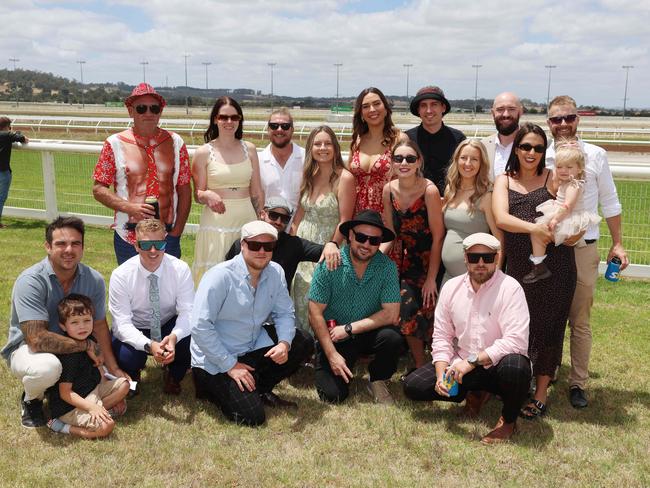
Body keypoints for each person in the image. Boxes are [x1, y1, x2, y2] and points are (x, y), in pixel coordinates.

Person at [403, 233, 531, 445]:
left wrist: (471, 361)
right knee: (413, 386)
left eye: (487, 258)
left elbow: (516, 341)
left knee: (517, 368)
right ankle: (474, 393)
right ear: (465, 258)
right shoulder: (451, 288)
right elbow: (442, 337)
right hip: (462, 366)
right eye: (474, 257)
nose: (480, 263)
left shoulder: (511, 288)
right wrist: (440, 376)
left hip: (497, 366)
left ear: (497, 258)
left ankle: (508, 421)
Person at [1, 216, 127, 428]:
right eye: (61, 243)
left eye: (75, 243)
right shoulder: (31, 281)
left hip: (73, 350)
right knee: (48, 367)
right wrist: (87, 345)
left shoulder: (93, 279)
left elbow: (98, 325)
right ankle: (32, 400)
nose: (69, 249)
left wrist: (113, 368)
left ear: (83, 247)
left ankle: (89, 408)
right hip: (29, 350)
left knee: (112, 380)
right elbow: (36, 339)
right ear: (48, 247)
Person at [545, 95, 629, 408]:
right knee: (548, 314)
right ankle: (546, 370)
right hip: (551, 247)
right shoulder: (540, 153)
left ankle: (578, 382)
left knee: (579, 320)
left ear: (578, 119)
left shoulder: (596, 155)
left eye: (569, 118)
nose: (563, 124)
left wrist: (617, 242)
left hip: (584, 247)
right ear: (548, 123)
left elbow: (610, 201)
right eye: (557, 119)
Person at [191, 220, 313, 426]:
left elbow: (284, 313)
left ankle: (259, 387)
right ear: (243, 245)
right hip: (216, 358)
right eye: (255, 245)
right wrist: (230, 365)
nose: (262, 251)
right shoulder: (219, 276)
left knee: (302, 341)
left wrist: (284, 343)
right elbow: (200, 327)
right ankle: (211, 388)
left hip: (251, 346)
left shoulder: (276, 272)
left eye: (269, 246)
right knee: (252, 417)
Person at [492, 123, 577, 419]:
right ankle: (519, 378)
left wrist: (558, 230)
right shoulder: (503, 180)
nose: (531, 153)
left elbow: (571, 209)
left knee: (550, 326)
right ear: (516, 148)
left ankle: (541, 393)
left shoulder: (554, 178)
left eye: (539, 148)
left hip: (557, 265)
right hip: (519, 266)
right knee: (519, 324)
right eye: (526, 146)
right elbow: (502, 218)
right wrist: (535, 228)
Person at [308, 210, 403, 405]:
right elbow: (314, 312)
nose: (367, 245)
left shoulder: (387, 267)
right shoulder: (329, 264)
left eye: (374, 241)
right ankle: (329, 359)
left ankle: (377, 379)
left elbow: (392, 314)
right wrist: (332, 354)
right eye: (361, 237)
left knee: (392, 338)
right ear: (350, 236)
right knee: (332, 396)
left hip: (365, 332)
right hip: (335, 336)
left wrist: (350, 328)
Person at [92, 83, 192, 264]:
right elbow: (98, 189)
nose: (148, 113)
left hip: (167, 236)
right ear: (131, 111)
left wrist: (177, 231)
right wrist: (129, 207)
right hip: (128, 238)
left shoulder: (176, 142)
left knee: (169, 290)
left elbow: (184, 189)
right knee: (131, 290)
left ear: (160, 112)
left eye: (154, 108)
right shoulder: (114, 143)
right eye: (141, 108)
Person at [109, 219, 194, 395]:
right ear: (136, 245)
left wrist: (174, 337)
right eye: (146, 245)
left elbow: (188, 312)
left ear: (165, 241)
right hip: (136, 325)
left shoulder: (180, 269)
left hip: (167, 323)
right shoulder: (121, 275)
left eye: (159, 244)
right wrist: (148, 345)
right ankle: (132, 375)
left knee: (192, 340)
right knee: (126, 356)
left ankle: (174, 374)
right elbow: (122, 324)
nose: (153, 250)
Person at [380, 140, 444, 369]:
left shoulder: (429, 190)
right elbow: (389, 232)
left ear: (419, 162)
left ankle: (437, 363)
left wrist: (430, 279)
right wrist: (373, 258)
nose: (404, 163)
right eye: (398, 158)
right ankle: (419, 365)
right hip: (407, 261)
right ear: (392, 162)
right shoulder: (389, 190)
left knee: (431, 311)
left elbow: (438, 236)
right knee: (407, 310)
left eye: (410, 158)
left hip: (433, 260)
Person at [191, 96, 264, 286]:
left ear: (240, 120)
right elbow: (197, 194)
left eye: (234, 117)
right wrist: (207, 195)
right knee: (215, 275)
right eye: (224, 117)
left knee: (247, 275)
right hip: (217, 223)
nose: (229, 122)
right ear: (215, 119)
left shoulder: (250, 149)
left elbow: (256, 191)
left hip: (246, 219)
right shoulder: (203, 152)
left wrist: (261, 222)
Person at [291, 126, 355, 332]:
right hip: (303, 245)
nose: (323, 148)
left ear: (335, 148)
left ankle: (323, 346)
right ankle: (303, 348)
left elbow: (345, 220)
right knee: (299, 291)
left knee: (320, 297)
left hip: (329, 245)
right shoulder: (308, 175)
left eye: (327, 143)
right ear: (311, 148)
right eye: (317, 144)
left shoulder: (344, 178)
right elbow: (299, 215)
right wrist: (290, 245)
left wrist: (332, 244)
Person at [47, 295, 130, 439]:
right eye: (74, 322)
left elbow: (99, 367)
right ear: (62, 326)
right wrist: (92, 407)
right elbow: (65, 393)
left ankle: (101, 409)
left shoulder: (90, 340)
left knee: (124, 384)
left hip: (92, 391)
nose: (82, 326)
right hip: (70, 406)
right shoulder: (68, 355)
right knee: (106, 427)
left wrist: (111, 393)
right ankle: (63, 426)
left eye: (87, 320)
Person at [226, 196, 339, 291]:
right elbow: (227, 274)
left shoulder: (294, 244)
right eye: (274, 216)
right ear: (262, 214)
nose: (278, 222)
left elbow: (322, 252)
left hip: (278, 309)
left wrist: (331, 245)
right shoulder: (244, 243)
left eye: (284, 218)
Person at [525, 142, 601, 283]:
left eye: (569, 167)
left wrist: (555, 220)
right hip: (562, 213)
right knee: (538, 235)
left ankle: (539, 266)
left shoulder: (574, 185)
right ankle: (539, 265)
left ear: (579, 168)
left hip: (567, 217)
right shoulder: (566, 182)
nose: (563, 170)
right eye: (559, 167)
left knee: (538, 234)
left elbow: (567, 206)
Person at [441, 139, 503, 283]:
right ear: (456, 160)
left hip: (477, 279)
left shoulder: (486, 195)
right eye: (463, 158)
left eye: (474, 159)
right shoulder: (451, 190)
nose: (468, 163)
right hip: (448, 278)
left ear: (482, 163)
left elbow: (499, 239)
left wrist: (496, 276)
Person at [348, 87, 402, 215]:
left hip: (388, 214)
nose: (372, 109)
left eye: (377, 104)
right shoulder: (356, 141)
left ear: (385, 107)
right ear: (361, 113)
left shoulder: (398, 140)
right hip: (358, 214)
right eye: (366, 106)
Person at [406, 86, 466, 196]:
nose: (429, 110)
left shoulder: (458, 139)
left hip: (450, 204)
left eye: (434, 104)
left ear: (443, 108)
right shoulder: (407, 139)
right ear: (418, 110)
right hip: (413, 204)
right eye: (423, 105)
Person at [258, 108, 305, 215]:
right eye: (274, 126)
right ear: (268, 129)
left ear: (292, 129)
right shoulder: (257, 160)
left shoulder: (307, 158)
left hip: (299, 226)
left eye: (285, 126)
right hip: (268, 226)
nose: (279, 129)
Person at [481, 92, 523, 180]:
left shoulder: (536, 146)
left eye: (511, 109)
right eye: (500, 109)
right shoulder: (482, 147)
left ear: (520, 112)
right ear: (493, 113)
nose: (506, 114)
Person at [0, 116, 28, 228]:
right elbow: (23, 139)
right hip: (3, 171)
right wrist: (15, 133)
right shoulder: (7, 135)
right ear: (7, 127)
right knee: (1, 197)